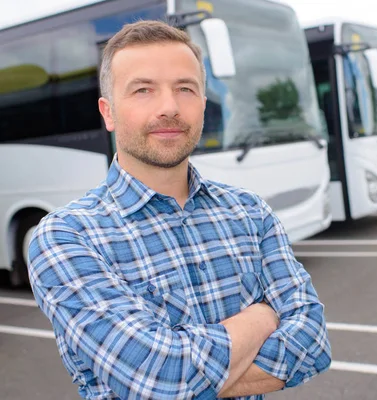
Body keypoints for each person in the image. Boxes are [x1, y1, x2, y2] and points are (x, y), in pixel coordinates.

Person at [27, 19, 331, 399]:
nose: (169, 107)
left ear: (204, 103)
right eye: (143, 90)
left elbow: (314, 344)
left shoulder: (250, 213)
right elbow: (163, 378)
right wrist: (262, 317)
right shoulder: (66, 237)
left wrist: (183, 373)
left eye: (185, 89)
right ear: (108, 112)